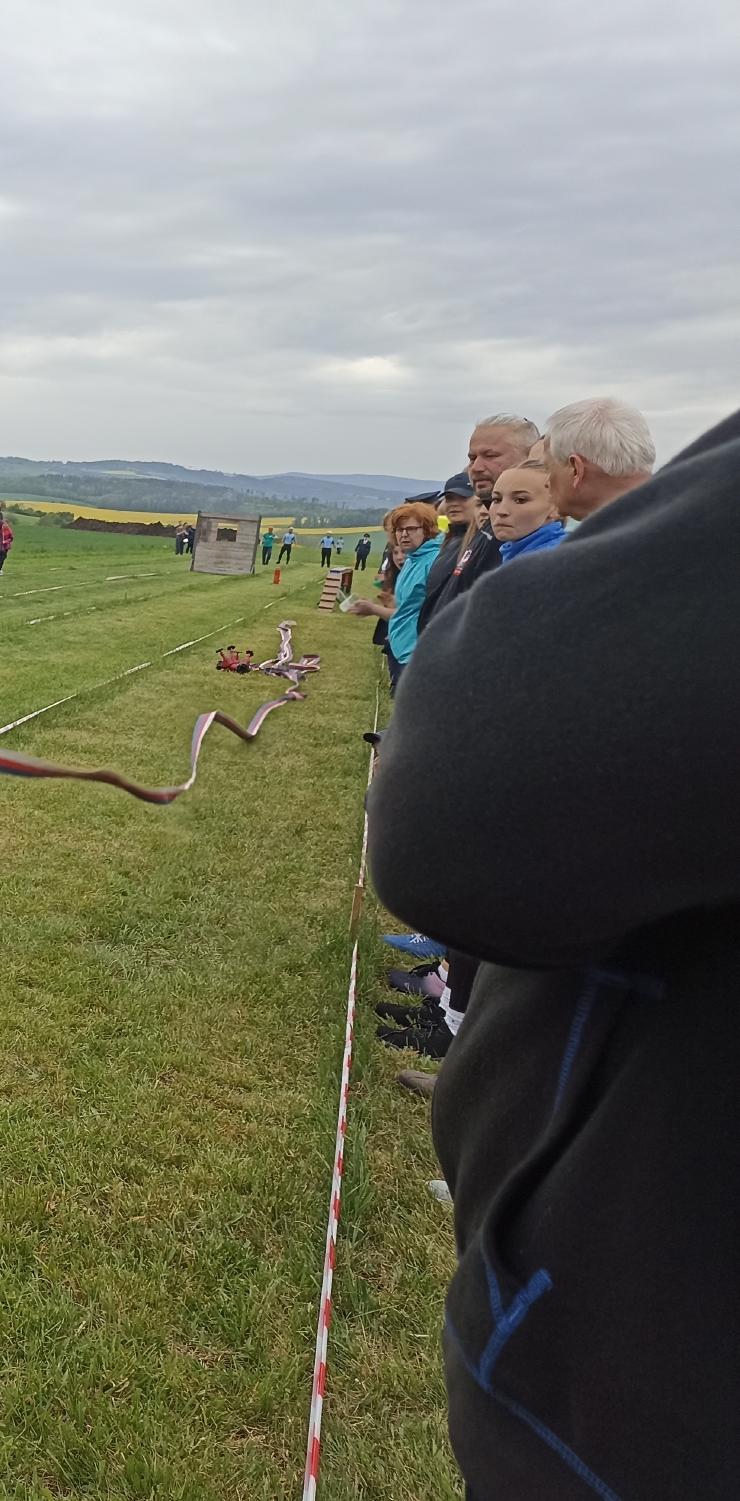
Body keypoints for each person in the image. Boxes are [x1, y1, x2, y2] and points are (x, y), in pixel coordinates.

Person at [366, 403, 740, 1501]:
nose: (487, 490)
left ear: (565, 472)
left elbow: (463, 795)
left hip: (642, 1381)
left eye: (510, 475)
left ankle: (443, 1010)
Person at [345, 501, 439, 690]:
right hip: (403, 649)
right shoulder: (412, 559)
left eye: (411, 529)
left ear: (427, 529)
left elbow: (431, 611)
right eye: (399, 529)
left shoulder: (434, 561)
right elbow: (410, 606)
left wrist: (375, 609)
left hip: (418, 654)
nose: (404, 534)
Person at [542, 397, 655, 522]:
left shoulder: (615, 532)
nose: (546, 482)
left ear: (576, 470)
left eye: (549, 468)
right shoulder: (665, 518)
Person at [418, 472, 499, 632]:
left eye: (463, 498)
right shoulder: (451, 540)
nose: (454, 504)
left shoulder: (481, 543)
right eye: (449, 498)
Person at [486, 461, 563, 563]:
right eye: (496, 499)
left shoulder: (557, 559)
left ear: (556, 507)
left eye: (520, 500)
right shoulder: (517, 554)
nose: (501, 511)